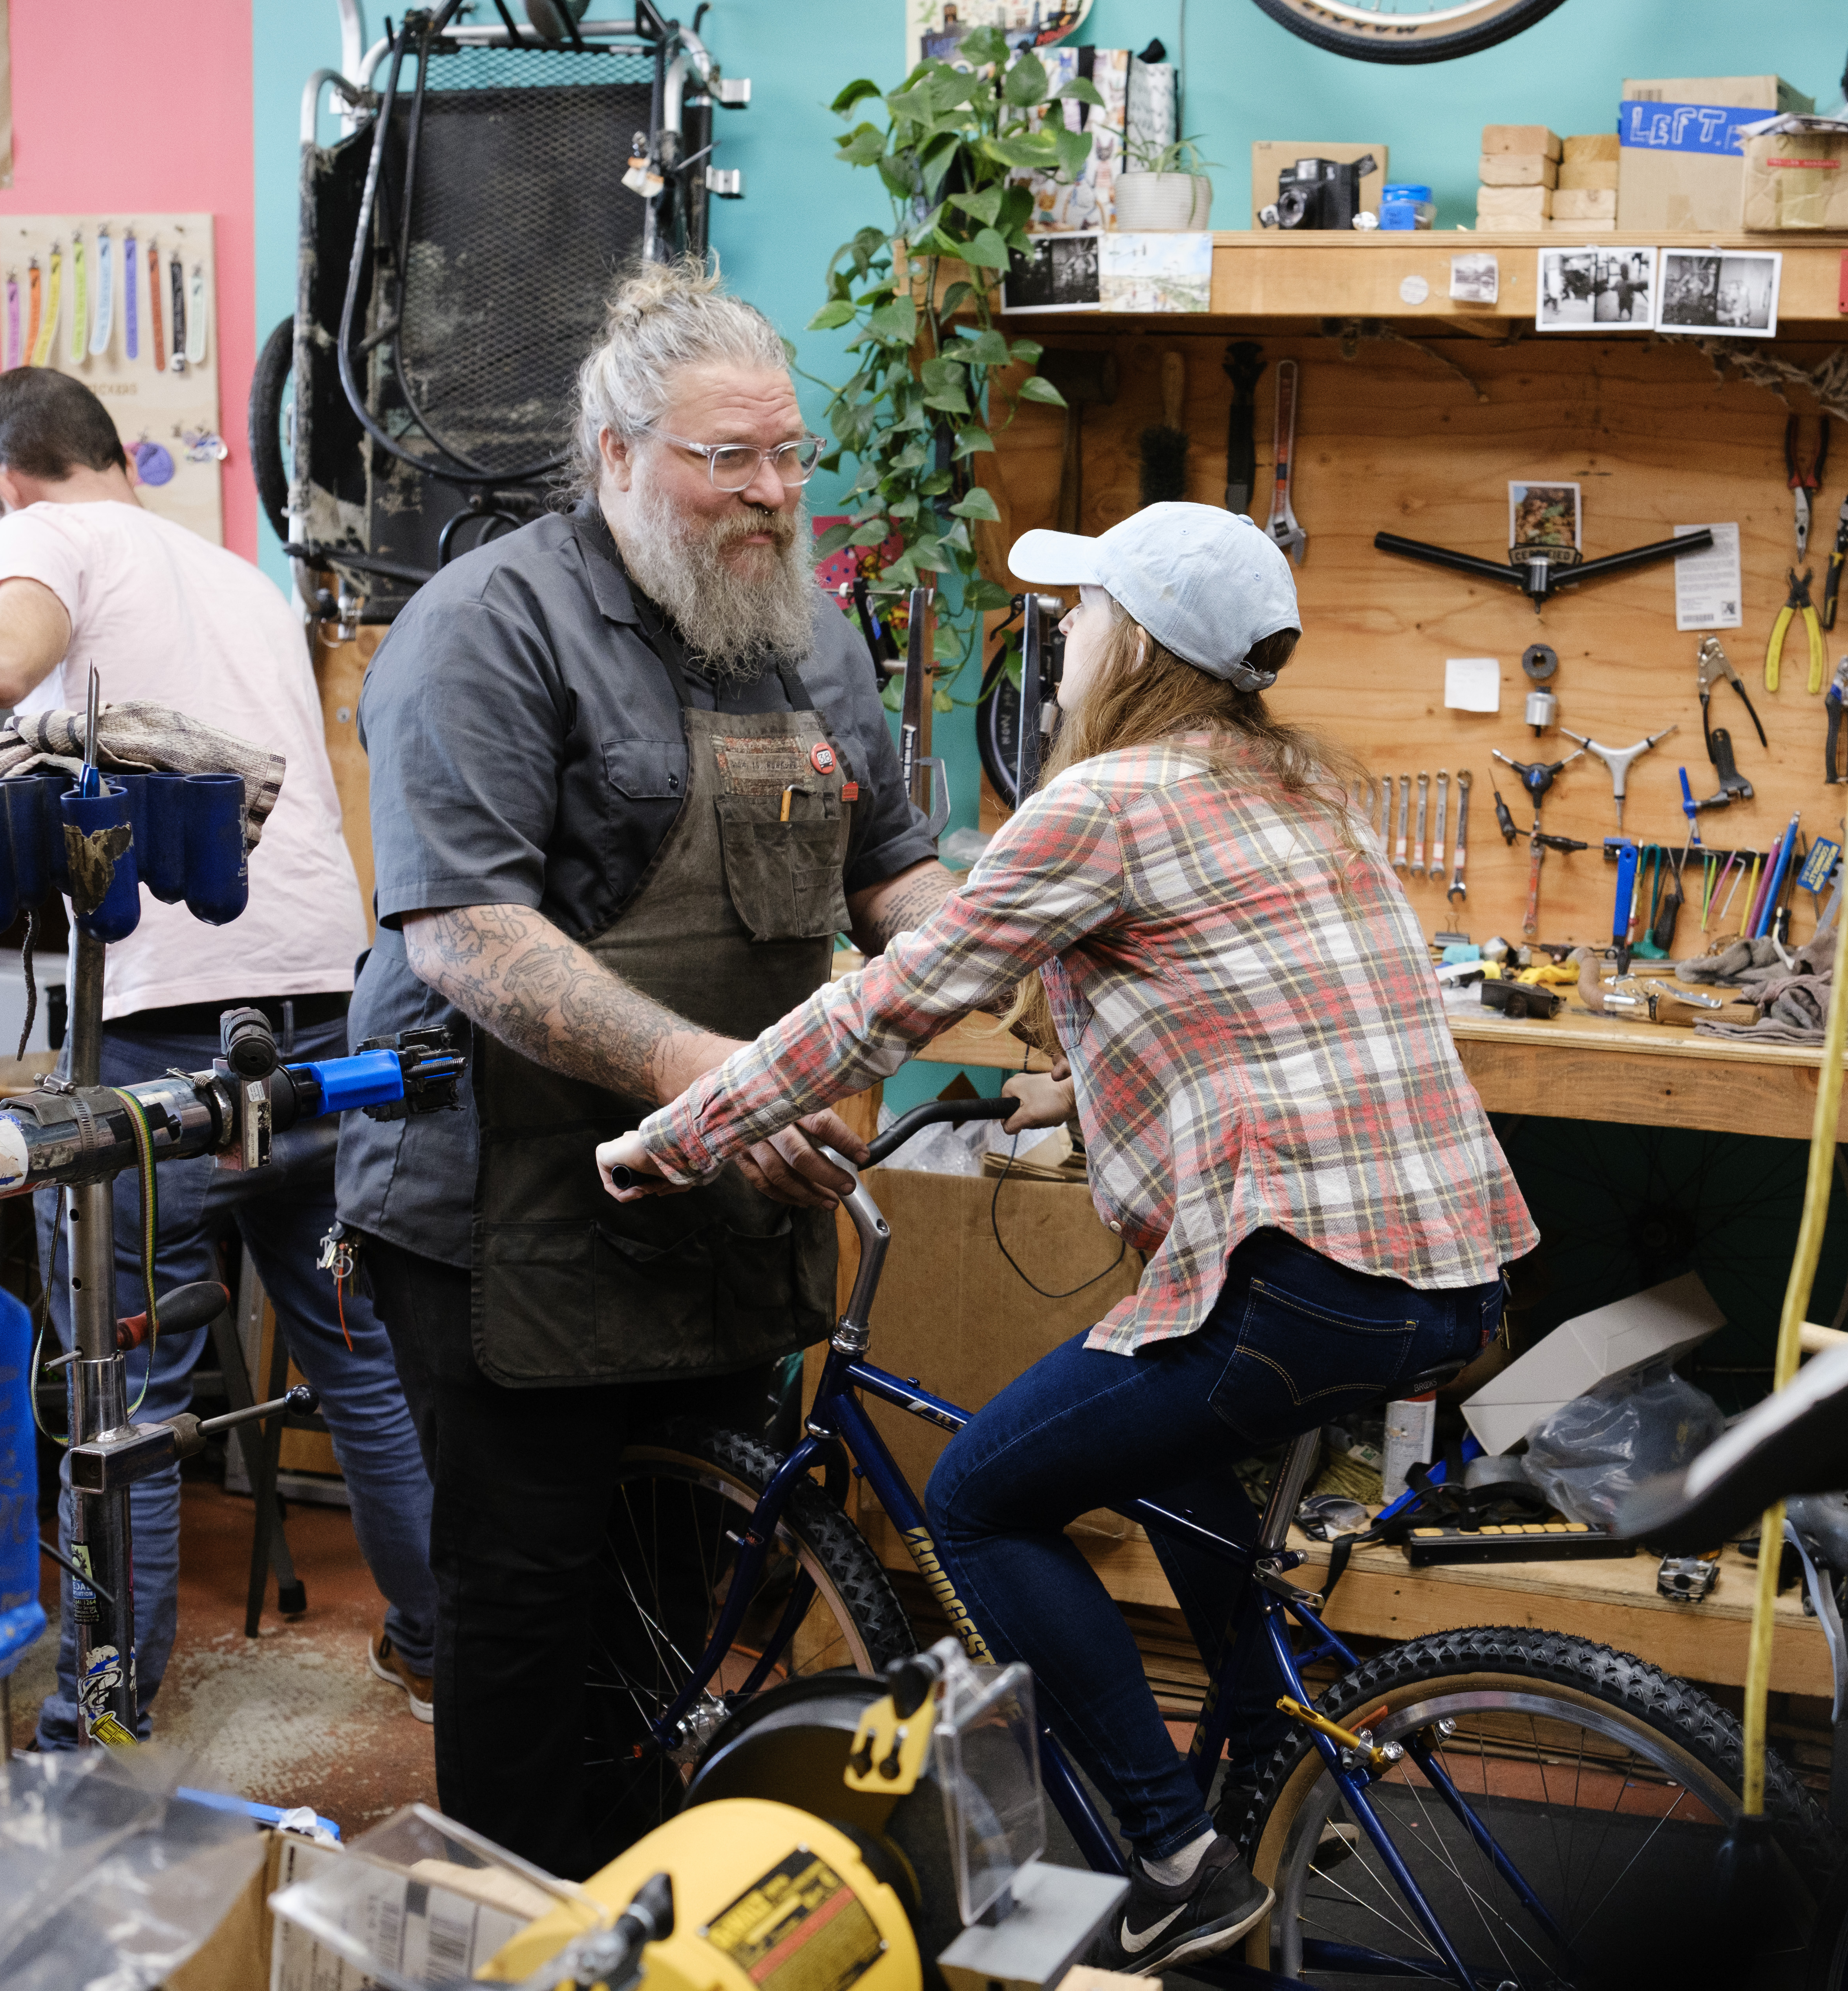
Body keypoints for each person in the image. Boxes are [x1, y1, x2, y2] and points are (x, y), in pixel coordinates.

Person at [598, 501, 1539, 1972]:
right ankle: (1279, 1767)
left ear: (1139, 646)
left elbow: (885, 1006)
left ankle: (1176, 1859)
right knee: (1171, 1475)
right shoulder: (1312, 796)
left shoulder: (1105, 800)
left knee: (977, 1500)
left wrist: (681, 1132)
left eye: (1086, 613)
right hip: (1451, 1277)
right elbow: (1236, 998)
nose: (1068, 636)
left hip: (1297, 1279)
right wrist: (1080, 1072)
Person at [337, 259, 953, 1876]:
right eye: (725, 459)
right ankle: (523, 1932)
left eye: (789, 457)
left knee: (686, 1599)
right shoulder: (487, 627)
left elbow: (898, 869)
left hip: (712, 1202)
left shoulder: (810, 642)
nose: (770, 492)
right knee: (533, 1613)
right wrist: (722, 1086)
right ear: (614, 453)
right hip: (504, 1203)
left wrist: (992, 949)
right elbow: (467, 936)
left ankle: (661, 1923)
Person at [0, 366, 439, 1744]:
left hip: (161, 1042)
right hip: (322, 1016)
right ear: (117, 452)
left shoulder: (49, 538)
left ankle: (100, 1727)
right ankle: (436, 1646)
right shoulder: (236, 575)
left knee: (130, 1397)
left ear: (5, 480)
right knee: (364, 1361)